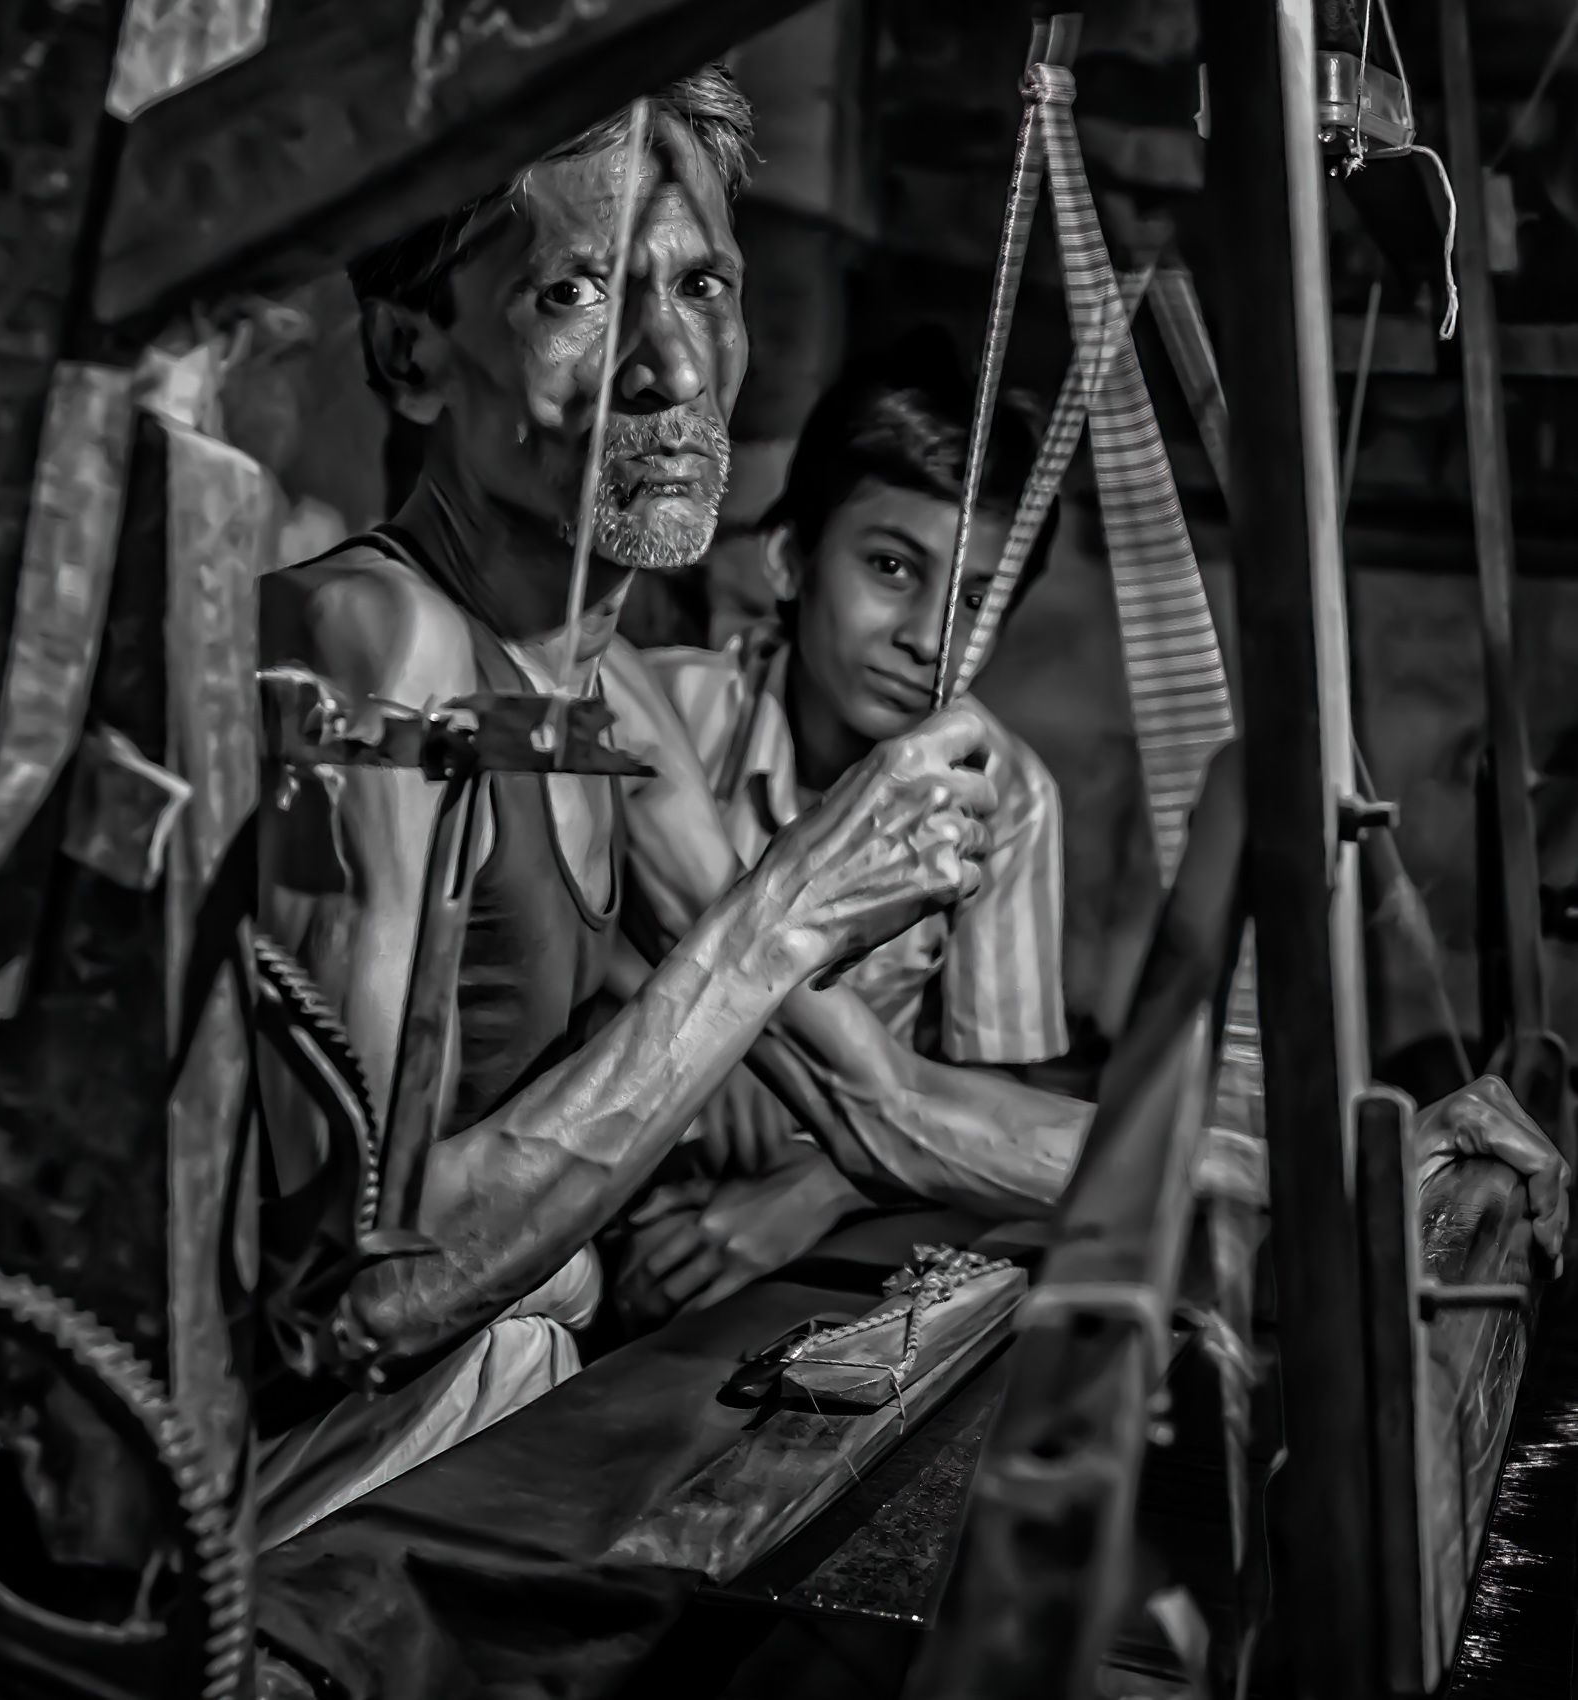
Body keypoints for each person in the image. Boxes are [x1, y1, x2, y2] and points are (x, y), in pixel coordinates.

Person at [253, 59, 1570, 1579]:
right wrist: (792, 900)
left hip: (492, 1431)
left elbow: (893, 1109)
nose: (673, 368)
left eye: (704, 286)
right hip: (323, 1503)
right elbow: (357, 1294)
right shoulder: (377, 643)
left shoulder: (602, 704)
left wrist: (1351, 1173)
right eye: (575, 296)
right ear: (413, 354)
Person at [607, 341, 1073, 1327]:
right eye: (892, 566)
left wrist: (812, 1194)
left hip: (833, 1226)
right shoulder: (668, 711)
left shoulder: (999, 792)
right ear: (787, 558)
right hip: (608, 1192)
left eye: (977, 601)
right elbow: (564, 955)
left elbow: (985, 1107)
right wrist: (720, 1047)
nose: (928, 637)